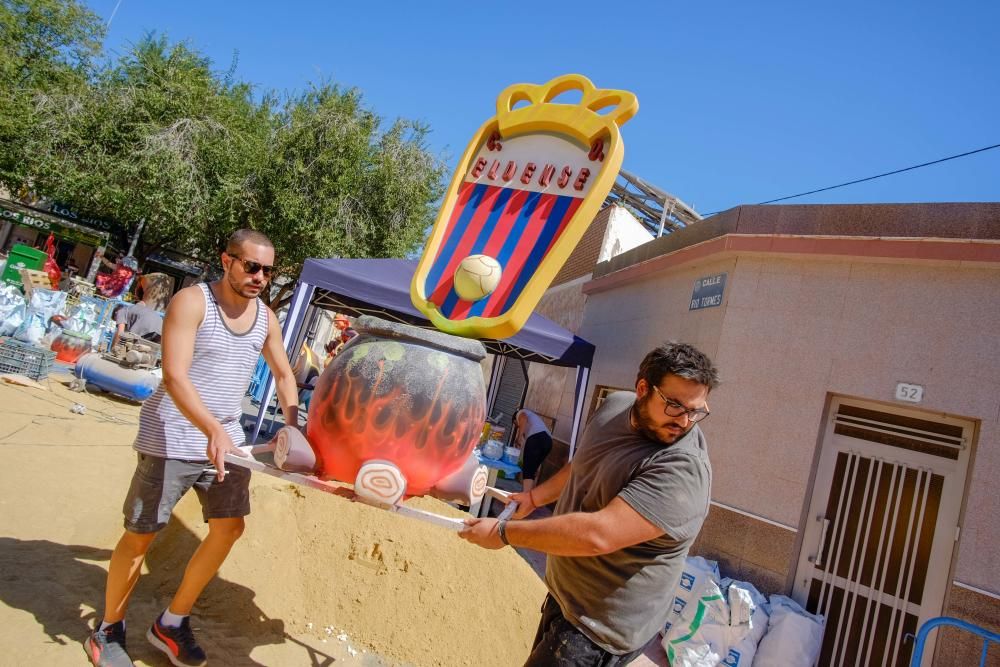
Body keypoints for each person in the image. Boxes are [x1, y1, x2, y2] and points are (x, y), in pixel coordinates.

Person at [84, 229, 300, 667]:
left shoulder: (265, 318)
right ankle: (108, 630)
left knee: (229, 528)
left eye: (269, 271)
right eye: (252, 266)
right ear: (227, 261)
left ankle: (172, 621)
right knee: (142, 534)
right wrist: (210, 429)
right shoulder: (193, 302)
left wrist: (292, 428)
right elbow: (174, 375)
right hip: (172, 434)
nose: (261, 277)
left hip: (225, 442)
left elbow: (283, 374)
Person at [459, 342, 720, 666]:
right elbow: (584, 464)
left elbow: (598, 534)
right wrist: (535, 497)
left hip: (600, 630)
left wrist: (503, 533)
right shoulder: (615, 407)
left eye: (696, 411)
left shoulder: (682, 471)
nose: (684, 421)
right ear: (642, 389)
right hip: (565, 596)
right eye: (675, 405)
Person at [512, 408, 553, 494]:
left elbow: (523, 419)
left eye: (517, 425)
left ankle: (525, 496)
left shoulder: (520, 413)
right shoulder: (533, 419)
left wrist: (518, 437)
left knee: (528, 469)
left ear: (515, 419)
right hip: (548, 441)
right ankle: (530, 495)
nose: (518, 427)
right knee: (532, 470)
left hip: (536, 438)